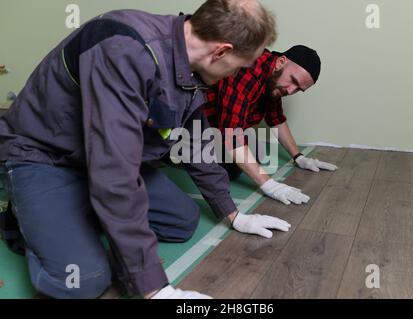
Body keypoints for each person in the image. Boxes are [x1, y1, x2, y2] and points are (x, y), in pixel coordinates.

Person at [0, 0, 289, 299]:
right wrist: (155, 289)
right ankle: (23, 217)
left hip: (95, 159)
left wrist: (233, 214)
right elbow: (114, 170)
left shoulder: (189, 66)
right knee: (84, 280)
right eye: (239, 67)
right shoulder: (123, 46)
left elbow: (194, 142)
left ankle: (76, 213)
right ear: (222, 51)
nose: (234, 76)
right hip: (45, 158)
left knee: (183, 222)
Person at [203, 45, 339, 206]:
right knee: (226, 168)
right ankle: (172, 153)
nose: (290, 90)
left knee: (240, 162)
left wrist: (299, 157)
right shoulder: (247, 69)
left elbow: (276, 120)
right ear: (281, 62)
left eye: (298, 89)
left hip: (216, 130)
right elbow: (231, 135)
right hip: (192, 126)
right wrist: (269, 184)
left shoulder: (274, 80)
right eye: (293, 81)